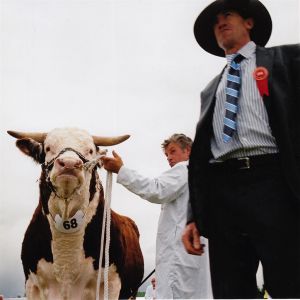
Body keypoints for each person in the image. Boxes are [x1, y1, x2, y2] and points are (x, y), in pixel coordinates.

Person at [181, 0, 300, 298]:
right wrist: (193, 215)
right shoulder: (210, 90)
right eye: (215, 20)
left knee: (289, 279)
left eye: (228, 15)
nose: (220, 22)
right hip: (223, 192)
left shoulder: (286, 60)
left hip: (274, 182)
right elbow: (200, 159)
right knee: (230, 287)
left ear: (249, 23)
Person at [101, 134, 212, 299]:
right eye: (167, 154)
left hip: (178, 257)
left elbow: (156, 189)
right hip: (191, 258)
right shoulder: (202, 176)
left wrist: (121, 170)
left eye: (173, 151)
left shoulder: (184, 169)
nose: (169, 158)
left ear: (188, 151)